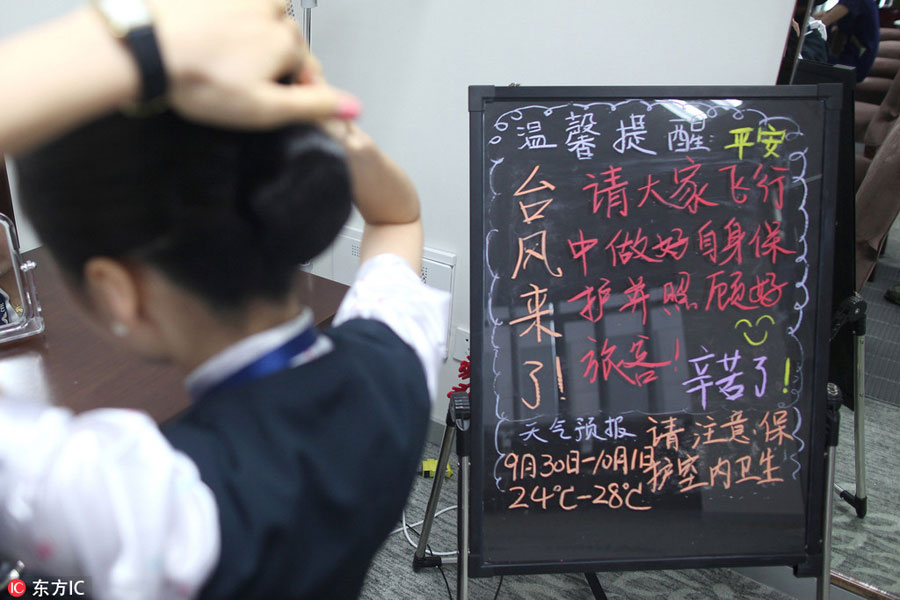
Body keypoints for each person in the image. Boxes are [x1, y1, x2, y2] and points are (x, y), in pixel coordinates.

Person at [0, 2, 449, 599]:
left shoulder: (140, 508)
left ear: (117, 291)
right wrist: (318, 121)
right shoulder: (398, 359)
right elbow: (399, 217)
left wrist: (146, 46)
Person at [814, 0, 881, 81]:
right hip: (852, 57)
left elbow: (819, 25)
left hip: (853, 65)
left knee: (809, 58)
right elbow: (823, 16)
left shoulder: (853, 2)